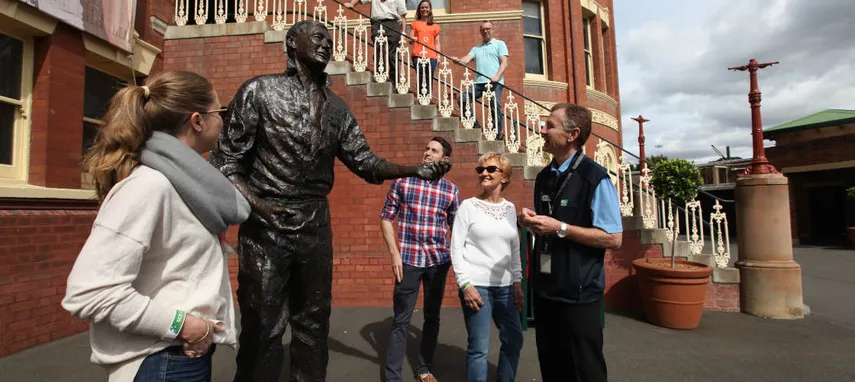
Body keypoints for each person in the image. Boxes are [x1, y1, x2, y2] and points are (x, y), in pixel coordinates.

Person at [209, 20, 449, 382]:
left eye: (330, 40)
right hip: (266, 226)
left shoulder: (336, 109)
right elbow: (226, 162)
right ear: (292, 42)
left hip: (315, 227)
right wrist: (259, 206)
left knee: (313, 326)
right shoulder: (259, 91)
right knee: (263, 328)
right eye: (317, 38)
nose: (326, 45)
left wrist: (417, 170)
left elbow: (366, 163)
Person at [62, 70, 251, 382]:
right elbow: (90, 292)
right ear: (197, 120)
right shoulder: (150, 186)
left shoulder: (182, 187)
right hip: (161, 362)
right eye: (221, 112)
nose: (225, 121)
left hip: (175, 358)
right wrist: (185, 325)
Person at [518, 103, 623, 382]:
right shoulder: (544, 177)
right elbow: (548, 227)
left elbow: (613, 238)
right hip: (546, 292)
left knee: (585, 372)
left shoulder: (595, 178)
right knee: (552, 369)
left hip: (579, 296)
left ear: (572, 134)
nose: (542, 130)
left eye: (550, 125)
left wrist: (560, 228)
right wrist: (532, 222)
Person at [380, 137, 461, 382]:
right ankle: (393, 376)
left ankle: (424, 369)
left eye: (434, 150)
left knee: (432, 316)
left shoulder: (451, 190)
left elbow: (456, 228)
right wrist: (394, 253)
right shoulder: (403, 181)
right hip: (408, 259)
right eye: (426, 148)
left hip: (438, 261)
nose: (427, 153)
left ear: (444, 159)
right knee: (401, 319)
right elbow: (386, 217)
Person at [449, 152, 524, 382]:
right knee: (479, 348)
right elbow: (456, 248)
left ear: (504, 177)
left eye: (491, 169)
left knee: (514, 339)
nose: (484, 173)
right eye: (480, 170)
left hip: (505, 288)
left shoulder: (510, 208)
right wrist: (465, 285)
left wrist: (517, 281)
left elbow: (514, 249)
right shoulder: (468, 207)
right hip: (477, 287)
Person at [453, 21, 509, 140]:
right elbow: (467, 59)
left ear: (492, 30)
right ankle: (476, 126)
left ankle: (497, 134)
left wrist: (497, 76)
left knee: (495, 105)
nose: (485, 31)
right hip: (479, 82)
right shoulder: (476, 48)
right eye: (483, 29)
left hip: (494, 82)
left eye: (488, 29)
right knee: (463, 99)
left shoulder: (500, 44)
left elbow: (504, 62)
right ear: (480, 32)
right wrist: (458, 60)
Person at [346, 0, 407, 85]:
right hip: (377, 23)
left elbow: (403, 16)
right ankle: (380, 76)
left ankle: (395, 81)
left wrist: (403, 33)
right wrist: (352, 4)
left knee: (393, 54)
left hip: (393, 24)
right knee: (379, 49)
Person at [409, 0, 441, 93]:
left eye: (426, 7)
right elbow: (410, 39)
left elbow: (437, 43)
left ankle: (428, 98)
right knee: (421, 77)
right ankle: (421, 99)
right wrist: (412, 39)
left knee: (429, 78)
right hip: (418, 54)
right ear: (419, 10)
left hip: (431, 56)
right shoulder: (415, 24)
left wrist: (438, 56)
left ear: (430, 9)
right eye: (422, 7)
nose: (424, 9)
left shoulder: (435, 26)